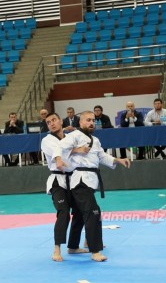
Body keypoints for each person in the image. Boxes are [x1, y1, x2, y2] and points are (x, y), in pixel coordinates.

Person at [56, 111, 131, 262]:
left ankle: (72, 246)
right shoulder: (74, 136)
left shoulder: (95, 140)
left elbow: (102, 156)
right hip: (80, 180)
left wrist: (118, 160)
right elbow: (59, 147)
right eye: (88, 120)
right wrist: (70, 153)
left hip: (91, 179)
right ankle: (95, 250)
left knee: (79, 214)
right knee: (93, 212)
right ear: (81, 122)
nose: (92, 123)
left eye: (93, 121)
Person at [41, 112, 88, 262]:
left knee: (80, 210)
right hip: (57, 180)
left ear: (61, 121)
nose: (52, 123)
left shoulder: (70, 137)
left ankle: (73, 246)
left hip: (73, 178)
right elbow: (58, 152)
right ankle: (56, 249)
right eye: (48, 122)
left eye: (54, 120)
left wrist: (76, 150)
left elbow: (78, 153)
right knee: (63, 212)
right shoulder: (47, 140)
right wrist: (75, 150)